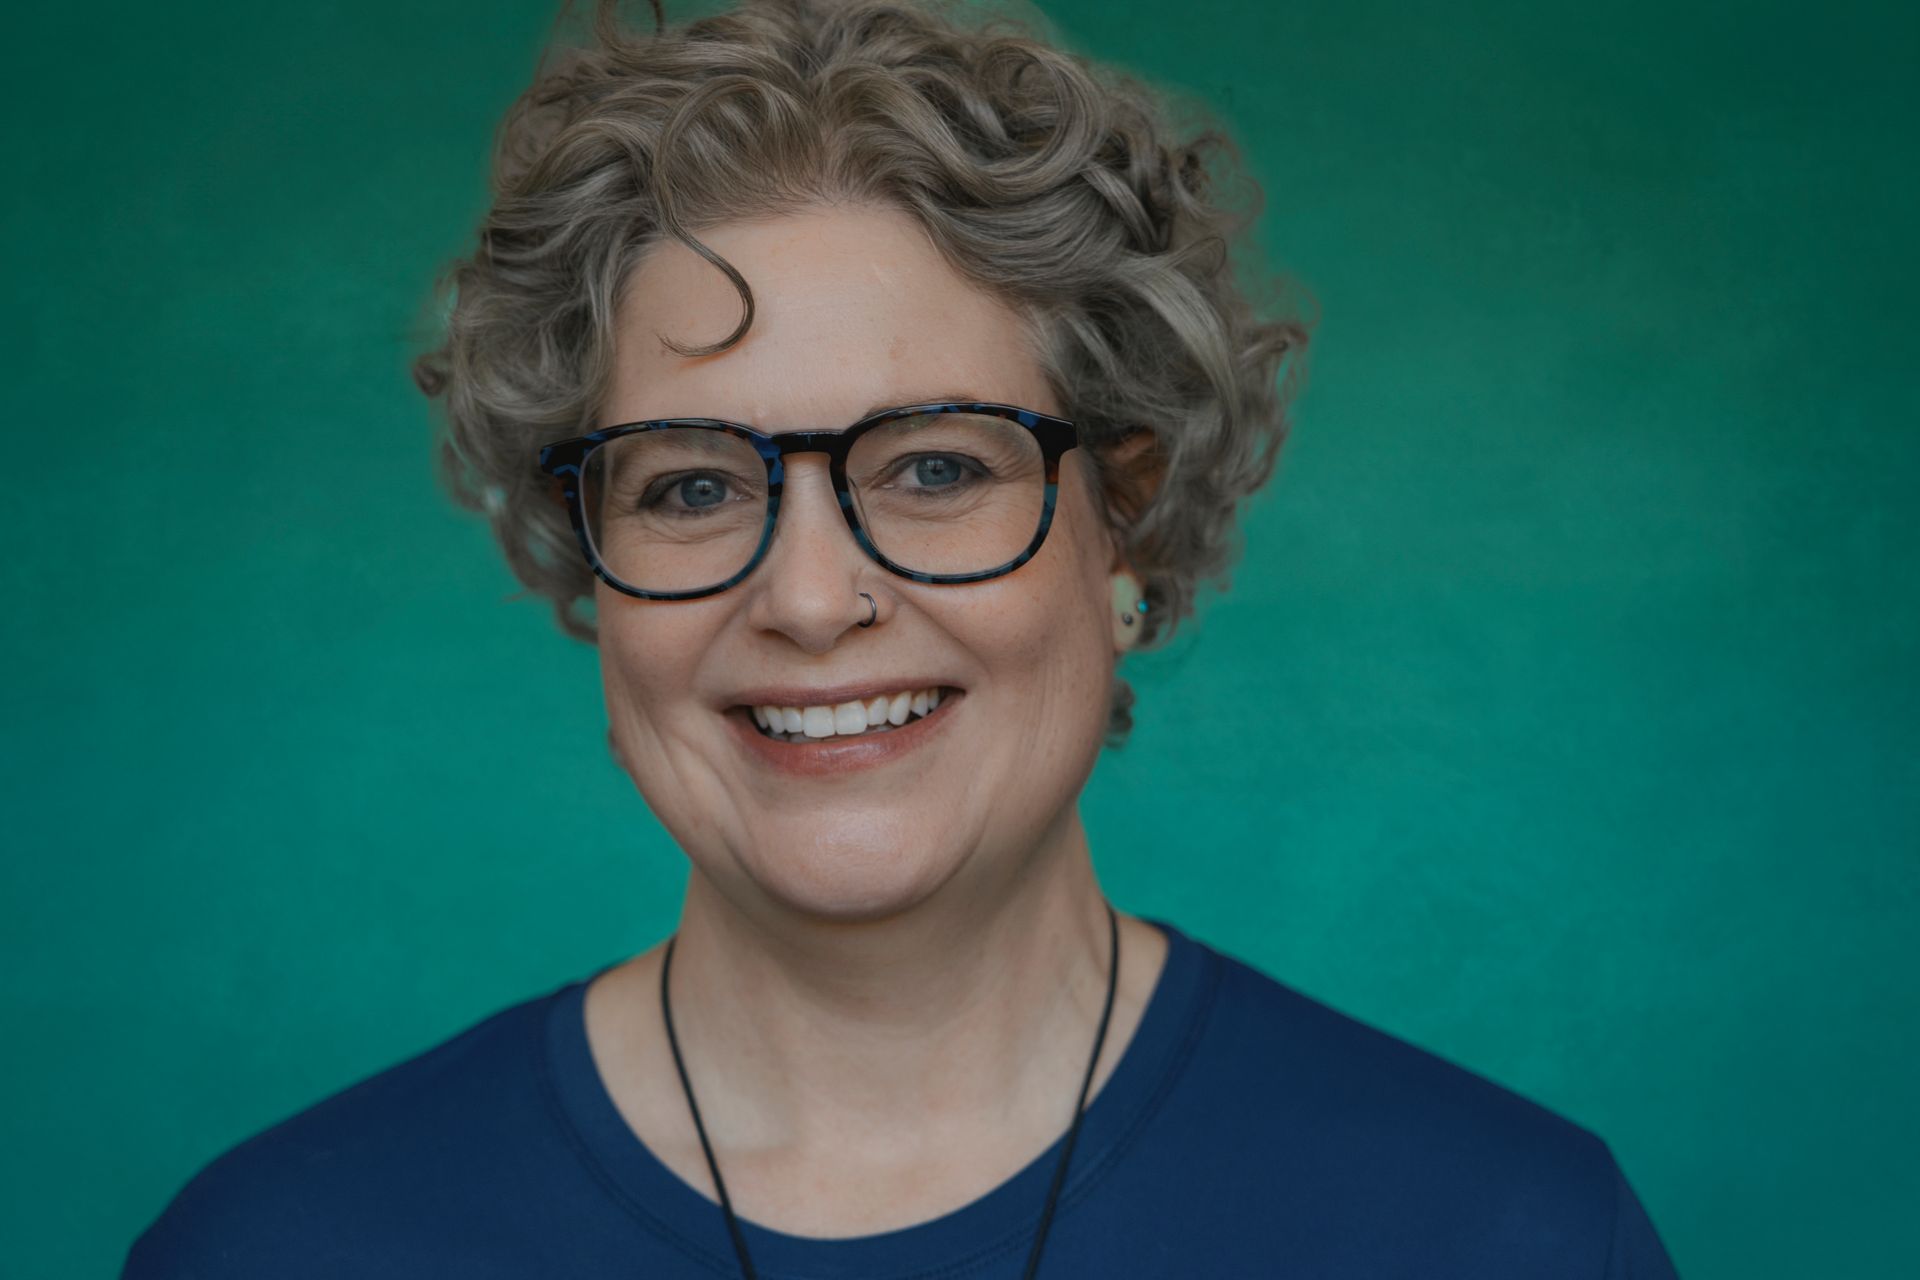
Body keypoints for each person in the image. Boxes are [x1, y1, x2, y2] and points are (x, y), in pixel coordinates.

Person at [124, 1, 1680, 1275]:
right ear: (592, 583)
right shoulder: (282, 1250)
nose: (808, 600)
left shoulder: (1505, 1236)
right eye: (690, 485)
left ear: (1122, 525)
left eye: (936, 466)